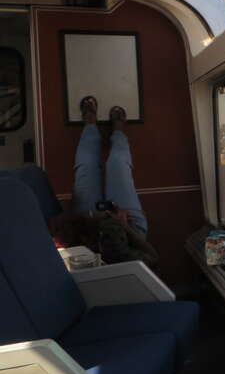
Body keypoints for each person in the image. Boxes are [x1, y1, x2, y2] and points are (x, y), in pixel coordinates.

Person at [51, 95, 158, 267]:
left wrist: (91, 218)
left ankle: (90, 124)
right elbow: (152, 254)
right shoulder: (133, 265)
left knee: (86, 167)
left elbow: (62, 228)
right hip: (130, 229)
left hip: (87, 229)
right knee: (118, 165)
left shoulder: (86, 265)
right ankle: (118, 130)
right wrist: (124, 225)